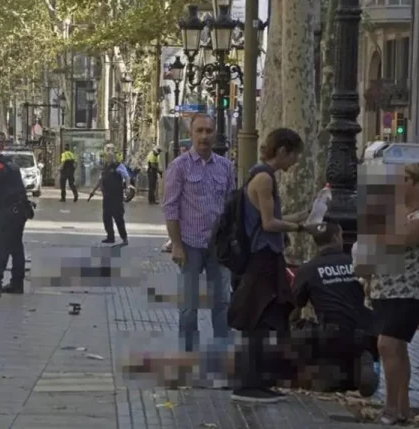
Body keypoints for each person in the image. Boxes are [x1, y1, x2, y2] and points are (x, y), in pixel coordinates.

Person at [227, 127, 318, 403]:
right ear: (282, 151)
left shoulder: (260, 175)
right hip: (262, 258)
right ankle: (248, 384)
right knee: (258, 321)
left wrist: (299, 215)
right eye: (294, 156)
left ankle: (258, 380)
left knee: (266, 319)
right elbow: (269, 224)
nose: (295, 163)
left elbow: (267, 217)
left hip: (264, 256)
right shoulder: (265, 178)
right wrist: (301, 227)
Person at [368, 162, 419, 425]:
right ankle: (403, 408)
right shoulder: (397, 211)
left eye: (404, 179)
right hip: (385, 288)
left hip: (409, 290)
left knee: (388, 344)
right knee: (396, 348)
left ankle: (391, 407)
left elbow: (399, 240)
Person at [162, 114, 234, 353]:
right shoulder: (179, 166)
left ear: (215, 134)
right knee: (189, 304)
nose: (204, 136)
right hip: (189, 244)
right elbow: (170, 206)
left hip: (218, 246)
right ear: (191, 134)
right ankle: (189, 354)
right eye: (199, 131)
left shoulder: (226, 167)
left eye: (209, 131)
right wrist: (176, 244)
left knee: (222, 301)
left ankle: (222, 354)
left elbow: (230, 205)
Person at [291, 222, 380, 397]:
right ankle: (364, 358)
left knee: (296, 329)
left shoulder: (307, 269)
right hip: (367, 333)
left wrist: (293, 325)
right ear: (335, 238)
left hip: (332, 337)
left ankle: (321, 374)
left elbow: (293, 308)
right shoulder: (355, 262)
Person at [0, 142, 32, 294]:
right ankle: (17, 283)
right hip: (21, 209)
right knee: (16, 247)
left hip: (8, 211)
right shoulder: (11, 164)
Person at [88, 151, 133, 245]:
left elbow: (126, 177)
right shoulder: (105, 168)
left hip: (117, 197)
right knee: (106, 217)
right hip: (107, 196)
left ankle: (124, 237)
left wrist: (128, 187)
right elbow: (100, 180)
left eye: (110, 157)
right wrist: (93, 191)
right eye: (107, 157)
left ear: (113, 158)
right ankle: (110, 236)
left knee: (118, 218)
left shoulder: (118, 166)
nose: (109, 159)